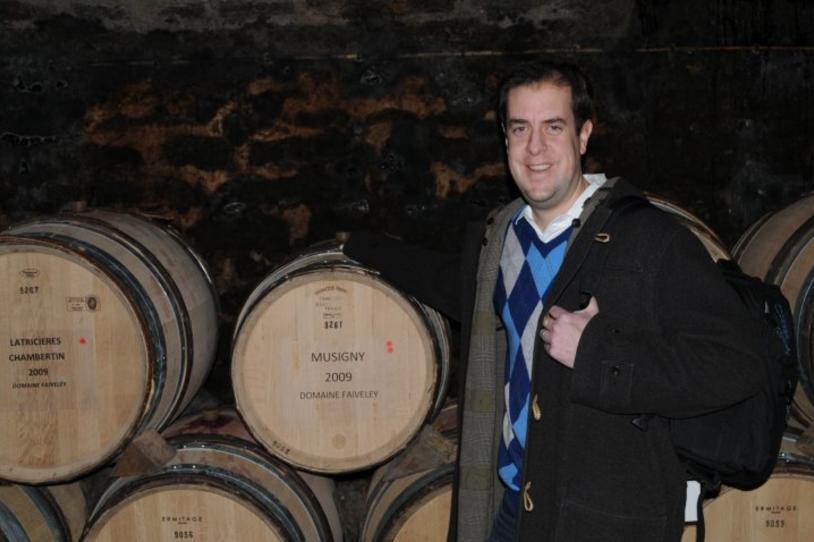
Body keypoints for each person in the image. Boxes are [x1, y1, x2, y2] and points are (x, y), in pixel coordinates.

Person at [344, 61, 764, 541]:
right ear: (505, 138)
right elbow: (453, 286)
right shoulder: (501, 239)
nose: (535, 147)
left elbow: (737, 365)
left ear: (583, 135)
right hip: (511, 508)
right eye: (520, 128)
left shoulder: (648, 240)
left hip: (601, 523)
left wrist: (597, 353)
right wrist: (359, 245)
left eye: (553, 127)